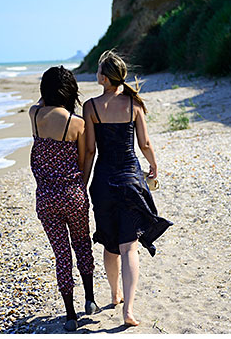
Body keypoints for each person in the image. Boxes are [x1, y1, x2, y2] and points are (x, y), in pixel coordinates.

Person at [83, 50, 173, 327]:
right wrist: (154, 165)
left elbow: (89, 150)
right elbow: (144, 144)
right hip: (131, 180)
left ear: (103, 76)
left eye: (99, 69)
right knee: (129, 247)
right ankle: (128, 310)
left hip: (103, 181)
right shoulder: (134, 104)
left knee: (110, 244)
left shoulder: (91, 106)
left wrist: (82, 183)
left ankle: (114, 295)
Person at [29, 66, 99, 332]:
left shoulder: (35, 115)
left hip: (45, 197)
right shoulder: (76, 122)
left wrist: (45, 95)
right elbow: (84, 158)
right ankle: (90, 300)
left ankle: (70, 315)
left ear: (44, 91)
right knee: (82, 243)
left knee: (61, 254)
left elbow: (39, 102)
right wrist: (80, 185)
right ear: (70, 91)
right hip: (73, 194)